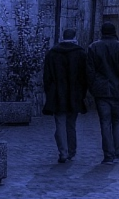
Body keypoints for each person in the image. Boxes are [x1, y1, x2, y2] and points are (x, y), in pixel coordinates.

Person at [86, 22, 119, 165]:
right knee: (117, 121)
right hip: (117, 90)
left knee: (105, 122)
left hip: (101, 90)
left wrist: (91, 87)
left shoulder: (93, 47)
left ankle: (108, 155)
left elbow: (90, 71)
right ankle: (116, 153)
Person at [43, 27, 87, 164]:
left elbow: (47, 77)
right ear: (74, 37)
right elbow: (85, 76)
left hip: (58, 94)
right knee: (71, 124)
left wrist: (49, 92)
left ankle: (63, 152)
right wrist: (83, 93)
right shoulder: (81, 53)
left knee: (60, 124)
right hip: (74, 94)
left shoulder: (52, 53)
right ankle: (71, 151)